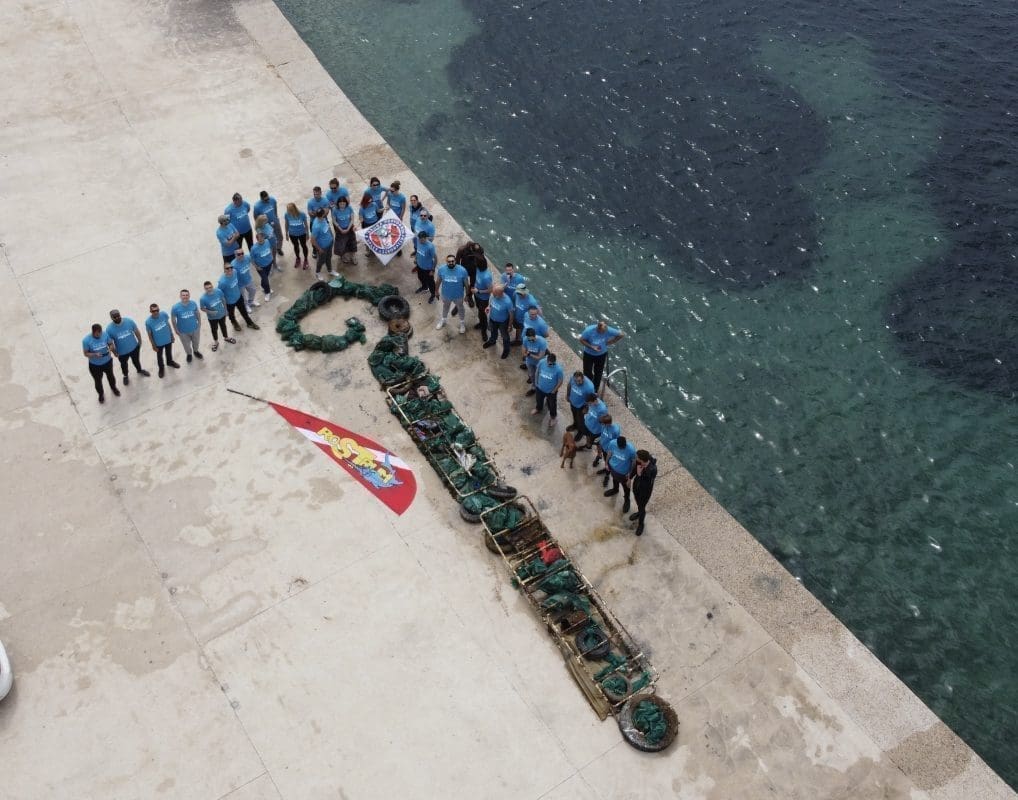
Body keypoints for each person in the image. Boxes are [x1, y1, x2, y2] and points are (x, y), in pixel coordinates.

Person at [106, 309, 150, 384]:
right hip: (121, 352)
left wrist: (139, 341)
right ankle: (125, 376)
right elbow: (110, 343)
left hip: (134, 348)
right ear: (111, 318)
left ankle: (139, 370)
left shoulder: (129, 321)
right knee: (123, 365)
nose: (117, 318)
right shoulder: (109, 329)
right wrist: (114, 352)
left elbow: (136, 331)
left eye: (118, 316)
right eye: (114, 317)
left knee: (136, 361)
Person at [579, 319, 624, 391]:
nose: (604, 333)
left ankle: (595, 389)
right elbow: (581, 340)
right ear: (598, 328)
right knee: (587, 371)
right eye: (602, 332)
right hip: (589, 354)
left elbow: (621, 334)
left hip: (601, 355)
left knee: (598, 372)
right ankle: (587, 386)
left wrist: (610, 342)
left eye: (605, 331)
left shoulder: (608, 330)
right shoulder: (589, 331)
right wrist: (591, 347)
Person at [82, 323, 119, 402]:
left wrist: (111, 349)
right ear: (93, 332)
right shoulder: (86, 340)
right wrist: (95, 354)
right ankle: (101, 394)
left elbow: (111, 344)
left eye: (100, 333)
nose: (99, 335)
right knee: (98, 381)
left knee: (111, 376)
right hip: (95, 365)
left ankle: (114, 388)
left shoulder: (105, 334)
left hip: (107, 362)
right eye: (97, 334)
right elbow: (85, 353)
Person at [218, 264, 259, 331]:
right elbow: (220, 294)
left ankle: (249, 323)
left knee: (244, 311)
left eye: (231, 267)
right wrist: (224, 307)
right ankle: (234, 323)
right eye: (227, 268)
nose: (230, 269)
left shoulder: (234, 272)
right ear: (224, 270)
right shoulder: (222, 282)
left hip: (239, 297)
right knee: (231, 315)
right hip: (230, 302)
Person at [603, 435, 638, 514]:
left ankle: (627, 499)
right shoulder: (612, 443)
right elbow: (609, 453)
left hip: (624, 473)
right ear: (617, 443)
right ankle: (615, 489)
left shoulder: (631, 449)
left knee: (626, 487)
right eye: (620, 447)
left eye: (623, 447)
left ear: (626, 444)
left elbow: (633, 462)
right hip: (613, 468)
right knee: (614, 479)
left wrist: (630, 473)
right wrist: (606, 463)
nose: (622, 448)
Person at [436, 255, 469, 332]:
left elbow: (467, 284)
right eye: (449, 261)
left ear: (455, 261)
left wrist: (467, 295)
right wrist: (436, 291)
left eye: (452, 261)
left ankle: (462, 323)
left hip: (458, 296)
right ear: (446, 262)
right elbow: (438, 281)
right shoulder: (441, 269)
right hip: (446, 295)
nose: (451, 263)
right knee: (445, 307)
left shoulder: (462, 270)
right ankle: (443, 320)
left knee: (460, 308)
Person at [145, 302, 179, 378]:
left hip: (168, 339)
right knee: (159, 356)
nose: (156, 312)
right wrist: (153, 345)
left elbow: (168, 324)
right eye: (153, 311)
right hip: (158, 343)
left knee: (168, 352)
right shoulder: (148, 322)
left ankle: (170, 362)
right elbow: (149, 335)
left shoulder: (164, 314)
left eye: (157, 310)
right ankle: (161, 368)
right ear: (150, 311)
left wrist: (171, 335)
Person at [629, 450, 657, 536]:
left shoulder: (652, 469)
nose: (636, 458)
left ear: (642, 459)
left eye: (637, 457)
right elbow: (635, 470)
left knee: (642, 507)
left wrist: (640, 473)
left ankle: (641, 524)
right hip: (637, 486)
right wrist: (630, 478)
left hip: (645, 491)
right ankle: (639, 512)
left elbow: (648, 482)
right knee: (638, 503)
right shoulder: (638, 462)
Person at [200, 281, 235, 351]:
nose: (209, 289)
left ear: (212, 286)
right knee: (214, 329)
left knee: (223, 326)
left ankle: (226, 337)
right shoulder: (203, 298)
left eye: (210, 287)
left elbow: (223, 300)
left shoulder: (218, 291)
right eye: (207, 288)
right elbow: (202, 308)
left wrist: (226, 310)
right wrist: (210, 312)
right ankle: (216, 342)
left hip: (222, 314)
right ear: (204, 289)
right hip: (212, 318)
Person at [171, 289, 204, 363]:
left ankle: (196, 351)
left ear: (189, 296)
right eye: (183, 295)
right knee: (186, 345)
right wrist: (176, 330)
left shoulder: (193, 303)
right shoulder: (175, 307)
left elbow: (197, 313)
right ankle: (189, 354)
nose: (185, 296)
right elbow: (173, 319)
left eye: (186, 295)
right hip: (183, 332)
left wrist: (199, 324)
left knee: (196, 342)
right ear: (180, 296)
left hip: (195, 329)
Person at [532, 352, 563, 427]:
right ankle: (538, 408)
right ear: (547, 360)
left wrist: (554, 390)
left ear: (554, 362)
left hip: (551, 392)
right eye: (548, 363)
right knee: (538, 399)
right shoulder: (542, 362)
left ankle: (553, 417)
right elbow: (537, 371)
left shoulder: (558, 369)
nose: (549, 365)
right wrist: (536, 383)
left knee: (552, 405)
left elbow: (560, 381)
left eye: (551, 364)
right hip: (540, 388)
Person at [482, 284, 513, 359]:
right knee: (493, 331)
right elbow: (490, 303)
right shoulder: (493, 295)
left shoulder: (508, 302)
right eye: (493, 293)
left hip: (502, 322)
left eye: (494, 294)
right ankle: (492, 341)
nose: (493, 295)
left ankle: (506, 349)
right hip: (492, 319)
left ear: (500, 294)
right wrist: (488, 307)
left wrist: (509, 325)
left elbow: (511, 315)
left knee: (505, 336)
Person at [253, 190, 284, 256]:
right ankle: (269, 253)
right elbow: (256, 218)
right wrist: (260, 226)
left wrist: (276, 217)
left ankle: (279, 248)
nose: (267, 200)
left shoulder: (272, 200)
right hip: (265, 226)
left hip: (275, 222)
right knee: (268, 241)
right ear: (261, 198)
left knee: (280, 236)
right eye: (265, 200)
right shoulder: (257, 206)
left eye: (268, 198)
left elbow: (275, 208)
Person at [594, 413, 621, 486]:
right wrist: (600, 444)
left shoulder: (615, 431)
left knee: (608, 463)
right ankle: (605, 469)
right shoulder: (603, 426)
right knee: (605, 460)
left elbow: (616, 442)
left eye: (603, 423)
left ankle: (607, 475)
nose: (602, 424)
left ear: (608, 423)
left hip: (609, 451)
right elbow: (602, 436)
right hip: (603, 447)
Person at [521, 327, 548, 395]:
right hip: (529, 361)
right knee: (532, 375)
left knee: (539, 376)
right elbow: (523, 350)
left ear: (534, 336)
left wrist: (529, 354)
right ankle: (533, 387)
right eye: (528, 339)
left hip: (539, 363)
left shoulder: (542, 342)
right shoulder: (526, 339)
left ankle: (539, 388)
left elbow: (540, 357)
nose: (529, 341)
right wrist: (525, 354)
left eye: (531, 339)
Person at [250, 231, 275, 301]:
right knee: (266, 281)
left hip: (269, 264)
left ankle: (263, 286)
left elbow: (270, 248)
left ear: (264, 237)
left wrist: (271, 257)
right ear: (257, 239)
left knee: (265, 278)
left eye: (262, 238)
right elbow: (251, 259)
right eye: (259, 240)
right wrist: (256, 267)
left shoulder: (267, 241)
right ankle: (267, 292)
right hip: (261, 267)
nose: (261, 240)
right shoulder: (254, 248)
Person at [332, 196, 357, 265]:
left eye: (344, 204)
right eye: (340, 204)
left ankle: (353, 256)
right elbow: (334, 221)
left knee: (352, 243)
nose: (342, 205)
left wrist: (348, 228)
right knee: (341, 245)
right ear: (338, 204)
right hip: (340, 229)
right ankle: (343, 256)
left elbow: (352, 219)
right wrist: (340, 229)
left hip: (349, 228)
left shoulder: (349, 208)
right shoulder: (335, 210)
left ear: (346, 203)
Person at [311, 208, 335, 276]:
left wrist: (332, 237)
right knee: (321, 261)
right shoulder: (316, 226)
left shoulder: (323, 219)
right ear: (323, 214)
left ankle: (330, 270)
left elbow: (328, 227)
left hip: (329, 243)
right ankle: (317, 272)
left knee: (329, 258)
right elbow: (312, 240)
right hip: (323, 247)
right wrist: (319, 249)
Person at [285, 202, 309, 269]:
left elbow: (306, 224)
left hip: (302, 233)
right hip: (292, 234)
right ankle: (298, 258)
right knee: (296, 246)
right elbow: (286, 224)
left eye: (290, 210)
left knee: (304, 246)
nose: (289, 212)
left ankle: (306, 259)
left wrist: (307, 233)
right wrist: (286, 233)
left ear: (294, 209)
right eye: (288, 210)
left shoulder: (302, 214)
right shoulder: (287, 214)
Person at [414, 231, 437, 302]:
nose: (420, 241)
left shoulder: (430, 247)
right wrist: (416, 259)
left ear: (425, 238)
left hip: (427, 269)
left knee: (431, 283)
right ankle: (424, 287)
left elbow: (435, 259)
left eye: (421, 239)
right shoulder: (418, 242)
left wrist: (432, 270)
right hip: (419, 266)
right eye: (419, 239)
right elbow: (417, 251)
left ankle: (433, 294)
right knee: (420, 277)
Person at [472, 259, 493, 335]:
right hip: (476, 295)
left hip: (483, 299)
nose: (475, 263)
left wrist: (478, 291)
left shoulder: (486, 277)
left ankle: (484, 330)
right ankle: (481, 323)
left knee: (483, 314)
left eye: (476, 263)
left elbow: (490, 290)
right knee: (480, 311)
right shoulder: (477, 269)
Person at [307, 186, 328, 260]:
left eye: (317, 194)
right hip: (313, 223)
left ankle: (323, 248)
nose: (316, 196)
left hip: (324, 222)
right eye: (314, 194)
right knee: (314, 238)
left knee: (324, 236)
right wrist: (320, 213)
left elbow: (326, 212)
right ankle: (315, 250)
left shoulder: (325, 200)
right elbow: (310, 213)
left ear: (321, 193)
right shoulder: (310, 202)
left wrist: (316, 213)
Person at [387, 180, 407, 256]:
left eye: (392, 191)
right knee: (390, 231)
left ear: (397, 190)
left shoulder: (402, 198)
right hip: (390, 216)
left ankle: (398, 248)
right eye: (390, 190)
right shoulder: (390, 194)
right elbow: (388, 203)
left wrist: (400, 217)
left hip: (397, 217)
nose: (391, 192)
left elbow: (403, 208)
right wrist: (388, 210)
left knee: (397, 233)